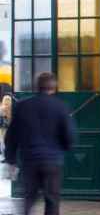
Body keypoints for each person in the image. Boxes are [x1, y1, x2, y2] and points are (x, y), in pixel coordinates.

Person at [4, 73, 75, 215]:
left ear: (37, 87)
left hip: (29, 159)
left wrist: (11, 158)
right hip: (52, 160)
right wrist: (64, 148)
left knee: (29, 198)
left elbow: (11, 135)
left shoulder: (23, 105)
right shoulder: (60, 106)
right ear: (54, 87)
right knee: (52, 200)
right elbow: (69, 135)